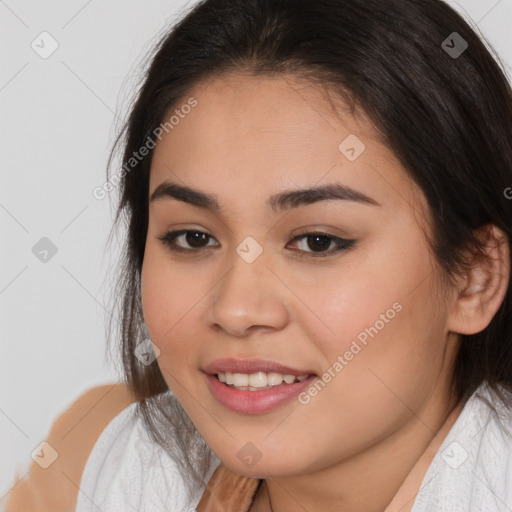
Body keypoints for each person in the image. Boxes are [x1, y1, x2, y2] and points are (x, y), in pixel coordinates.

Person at [9, 0, 512, 510]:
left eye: (318, 241)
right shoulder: (112, 467)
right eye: (193, 238)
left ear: (474, 278)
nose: (236, 310)